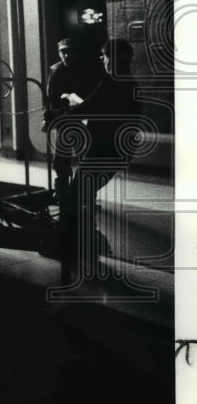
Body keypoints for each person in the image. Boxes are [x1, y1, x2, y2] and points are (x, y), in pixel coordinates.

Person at [53, 39, 141, 270]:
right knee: (84, 193)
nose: (102, 60)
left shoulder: (113, 84)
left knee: (74, 196)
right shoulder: (129, 84)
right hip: (116, 152)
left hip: (104, 152)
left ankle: (75, 244)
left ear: (113, 58)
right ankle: (86, 241)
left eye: (104, 56)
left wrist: (61, 114)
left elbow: (90, 107)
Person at [43, 36, 103, 196]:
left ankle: (86, 192)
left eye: (70, 51)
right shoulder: (56, 70)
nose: (66, 55)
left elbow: (95, 95)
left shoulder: (90, 69)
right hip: (65, 117)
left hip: (85, 116)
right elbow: (50, 97)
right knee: (61, 156)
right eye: (63, 52)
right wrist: (49, 115)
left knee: (86, 157)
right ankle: (61, 189)